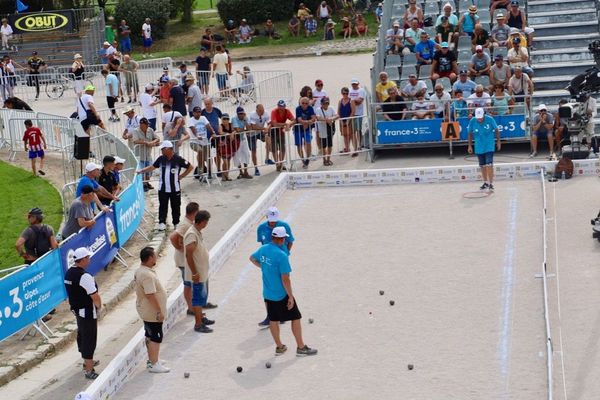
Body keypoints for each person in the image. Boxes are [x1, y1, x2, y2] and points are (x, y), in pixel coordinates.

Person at [250, 226, 317, 357]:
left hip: (268, 294)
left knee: (273, 320)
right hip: (281, 294)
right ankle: (301, 347)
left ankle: (280, 347)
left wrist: (263, 268)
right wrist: (290, 297)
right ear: (281, 239)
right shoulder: (282, 255)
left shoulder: (263, 249)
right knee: (296, 317)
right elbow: (285, 279)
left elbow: (252, 258)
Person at [137, 141, 193, 231]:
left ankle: (176, 223)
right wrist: (141, 171)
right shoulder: (161, 159)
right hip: (162, 188)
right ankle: (162, 222)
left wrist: (182, 176)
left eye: (163, 149)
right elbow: (152, 167)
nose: (161, 151)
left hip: (175, 188)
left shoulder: (178, 159)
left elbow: (190, 167)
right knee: (163, 206)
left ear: (168, 149)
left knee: (176, 206)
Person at [64, 247, 102, 379]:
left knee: (82, 335)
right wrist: (99, 307)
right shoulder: (85, 277)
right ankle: (89, 370)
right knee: (89, 339)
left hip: (77, 311)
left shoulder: (69, 273)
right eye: (88, 257)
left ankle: (87, 361)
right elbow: (95, 296)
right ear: (84, 259)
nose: (90, 260)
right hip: (87, 312)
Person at [255, 207, 295, 328]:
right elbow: (261, 245)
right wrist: (263, 264)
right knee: (268, 288)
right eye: (271, 220)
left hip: (281, 260)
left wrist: (286, 253)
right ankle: (270, 316)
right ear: (267, 217)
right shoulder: (261, 228)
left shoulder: (284, 226)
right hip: (268, 263)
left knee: (283, 285)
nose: (272, 223)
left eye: (275, 220)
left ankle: (281, 314)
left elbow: (290, 241)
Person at [134, 247, 170, 373]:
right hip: (151, 312)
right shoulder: (147, 275)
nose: (156, 257)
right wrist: (159, 311)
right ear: (150, 258)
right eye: (154, 256)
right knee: (156, 336)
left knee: (149, 335)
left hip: (146, 310)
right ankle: (154, 364)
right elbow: (150, 295)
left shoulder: (141, 270)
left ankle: (152, 359)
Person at [184, 210, 214, 333]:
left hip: (201, 273)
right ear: (202, 222)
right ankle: (198, 324)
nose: (207, 224)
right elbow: (189, 256)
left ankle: (201, 317)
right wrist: (195, 273)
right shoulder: (191, 234)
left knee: (201, 298)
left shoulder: (196, 232)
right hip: (196, 274)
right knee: (197, 298)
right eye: (206, 222)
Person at [467, 107, 500, 191]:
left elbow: (496, 130)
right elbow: (470, 133)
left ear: (484, 114)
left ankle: (491, 183)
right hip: (478, 146)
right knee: (482, 165)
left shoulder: (490, 119)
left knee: (489, 164)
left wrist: (498, 142)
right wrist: (470, 146)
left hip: (489, 145)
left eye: (481, 117)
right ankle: (485, 182)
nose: (479, 119)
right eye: (478, 118)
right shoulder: (472, 121)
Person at [133, 118, 160, 191]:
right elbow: (135, 141)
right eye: (146, 124)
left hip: (148, 154)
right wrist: (146, 142)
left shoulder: (150, 130)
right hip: (140, 155)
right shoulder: (136, 131)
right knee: (141, 171)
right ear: (141, 125)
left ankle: (147, 183)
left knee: (150, 171)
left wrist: (153, 141)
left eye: (148, 124)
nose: (148, 125)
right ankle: (143, 184)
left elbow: (157, 138)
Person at [188, 106, 216, 178]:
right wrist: (197, 135)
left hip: (204, 141)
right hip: (194, 141)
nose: (198, 113)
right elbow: (193, 128)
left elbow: (208, 126)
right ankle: (201, 170)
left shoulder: (203, 118)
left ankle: (210, 172)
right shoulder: (191, 120)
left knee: (208, 157)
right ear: (193, 113)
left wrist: (213, 132)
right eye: (196, 112)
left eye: (199, 112)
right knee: (200, 151)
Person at [270, 100, 294, 171]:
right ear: (277, 106)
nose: (281, 108)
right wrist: (285, 124)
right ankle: (277, 164)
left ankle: (281, 163)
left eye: (282, 106)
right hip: (273, 131)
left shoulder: (287, 111)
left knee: (282, 148)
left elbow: (294, 120)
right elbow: (274, 124)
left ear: (285, 106)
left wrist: (289, 124)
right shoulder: (274, 111)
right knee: (274, 148)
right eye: (280, 106)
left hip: (281, 131)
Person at [248, 104, 272, 173]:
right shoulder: (252, 114)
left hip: (259, 132)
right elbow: (254, 127)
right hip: (251, 134)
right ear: (257, 110)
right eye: (260, 111)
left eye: (263, 110)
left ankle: (267, 158)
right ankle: (256, 168)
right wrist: (264, 128)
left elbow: (270, 123)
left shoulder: (265, 113)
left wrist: (267, 127)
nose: (262, 112)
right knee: (254, 151)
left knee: (268, 139)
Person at [295, 97, 316, 168]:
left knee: (308, 143)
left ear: (308, 104)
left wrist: (307, 123)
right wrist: (307, 122)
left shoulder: (310, 108)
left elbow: (313, 118)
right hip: (298, 129)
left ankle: (307, 159)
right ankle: (302, 160)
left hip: (307, 129)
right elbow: (299, 119)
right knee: (299, 145)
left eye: (306, 103)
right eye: (303, 103)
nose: (304, 104)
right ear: (300, 103)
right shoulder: (298, 108)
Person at [315, 96, 337, 166]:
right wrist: (327, 120)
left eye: (327, 103)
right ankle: (324, 160)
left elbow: (337, 115)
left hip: (330, 129)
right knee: (324, 146)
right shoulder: (318, 109)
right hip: (322, 130)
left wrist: (331, 118)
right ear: (321, 104)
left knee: (330, 145)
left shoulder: (331, 108)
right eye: (324, 103)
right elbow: (318, 118)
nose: (326, 105)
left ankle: (328, 159)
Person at [348, 79, 366, 153]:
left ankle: (360, 145)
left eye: (355, 84)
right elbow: (348, 100)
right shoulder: (349, 90)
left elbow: (360, 101)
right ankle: (355, 146)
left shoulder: (361, 90)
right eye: (353, 84)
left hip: (359, 113)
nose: (354, 85)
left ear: (358, 83)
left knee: (358, 130)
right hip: (351, 113)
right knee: (353, 131)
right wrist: (354, 101)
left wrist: (352, 101)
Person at [338, 87, 355, 154]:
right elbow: (338, 111)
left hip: (349, 120)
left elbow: (353, 111)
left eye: (346, 93)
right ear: (342, 93)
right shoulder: (340, 101)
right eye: (344, 93)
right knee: (345, 135)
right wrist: (341, 121)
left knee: (351, 134)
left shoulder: (351, 101)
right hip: (342, 120)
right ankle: (347, 148)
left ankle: (354, 149)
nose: (345, 94)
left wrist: (349, 120)